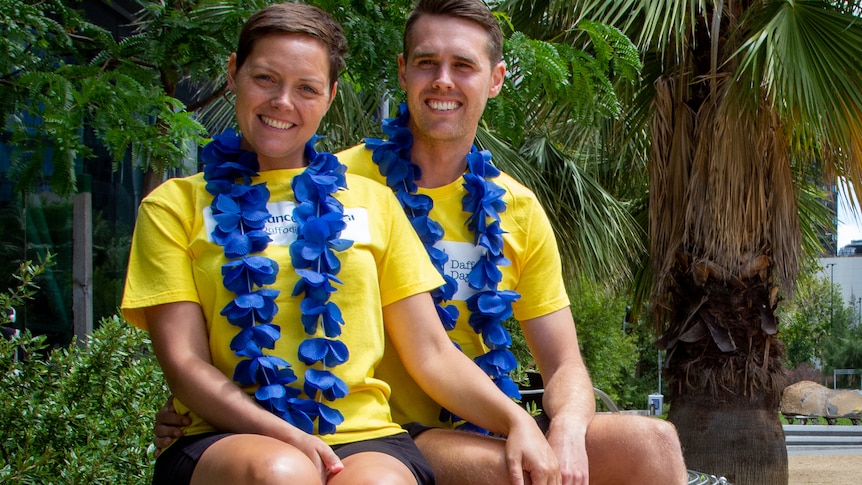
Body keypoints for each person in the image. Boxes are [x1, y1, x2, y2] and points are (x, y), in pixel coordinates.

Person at [153, 0, 689, 484]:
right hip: (388, 430)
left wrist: (566, 430)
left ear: (496, 79)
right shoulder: (333, 188)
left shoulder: (516, 207)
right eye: (427, 63)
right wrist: (207, 411)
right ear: (404, 71)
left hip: (482, 414)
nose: (443, 82)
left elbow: (564, 363)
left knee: (650, 443)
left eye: (464, 66)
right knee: (515, 476)